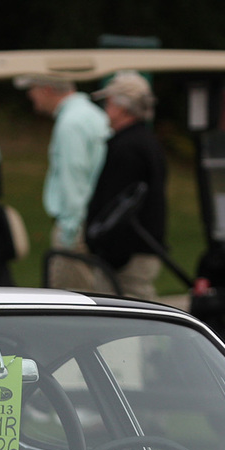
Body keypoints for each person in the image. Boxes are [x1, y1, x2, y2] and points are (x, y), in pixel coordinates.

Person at [16, 75, 110, 291]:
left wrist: (69, 232)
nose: (30, 95)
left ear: (47, 89)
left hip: (75, 226)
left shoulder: (71, 122)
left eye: (32, 88)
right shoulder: (92, 114)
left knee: (72, 301)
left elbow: (74, 177)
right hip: (91, 220)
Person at [84, 71, 168, 301]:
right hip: (137, 250)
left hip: (127, 257)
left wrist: (108, 250)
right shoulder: (146, 142)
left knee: (128, 321)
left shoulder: (127, 148)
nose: (106, 109)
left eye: (109, 102)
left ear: (122, 106)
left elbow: (119, 205)